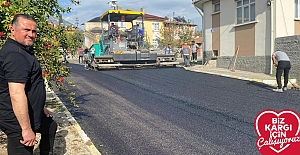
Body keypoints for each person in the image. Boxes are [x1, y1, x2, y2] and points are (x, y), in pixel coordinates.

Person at [0, 14, 57, 155]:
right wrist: (26, 129)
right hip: (16, 121)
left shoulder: (22, 50)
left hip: (29, 112)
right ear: (12, 30)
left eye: (33, 31)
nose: (31, 34)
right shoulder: (15, 55)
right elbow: (16, 94)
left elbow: (29, 85)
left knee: (50, 125)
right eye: (26, 30)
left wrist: (40, 106)